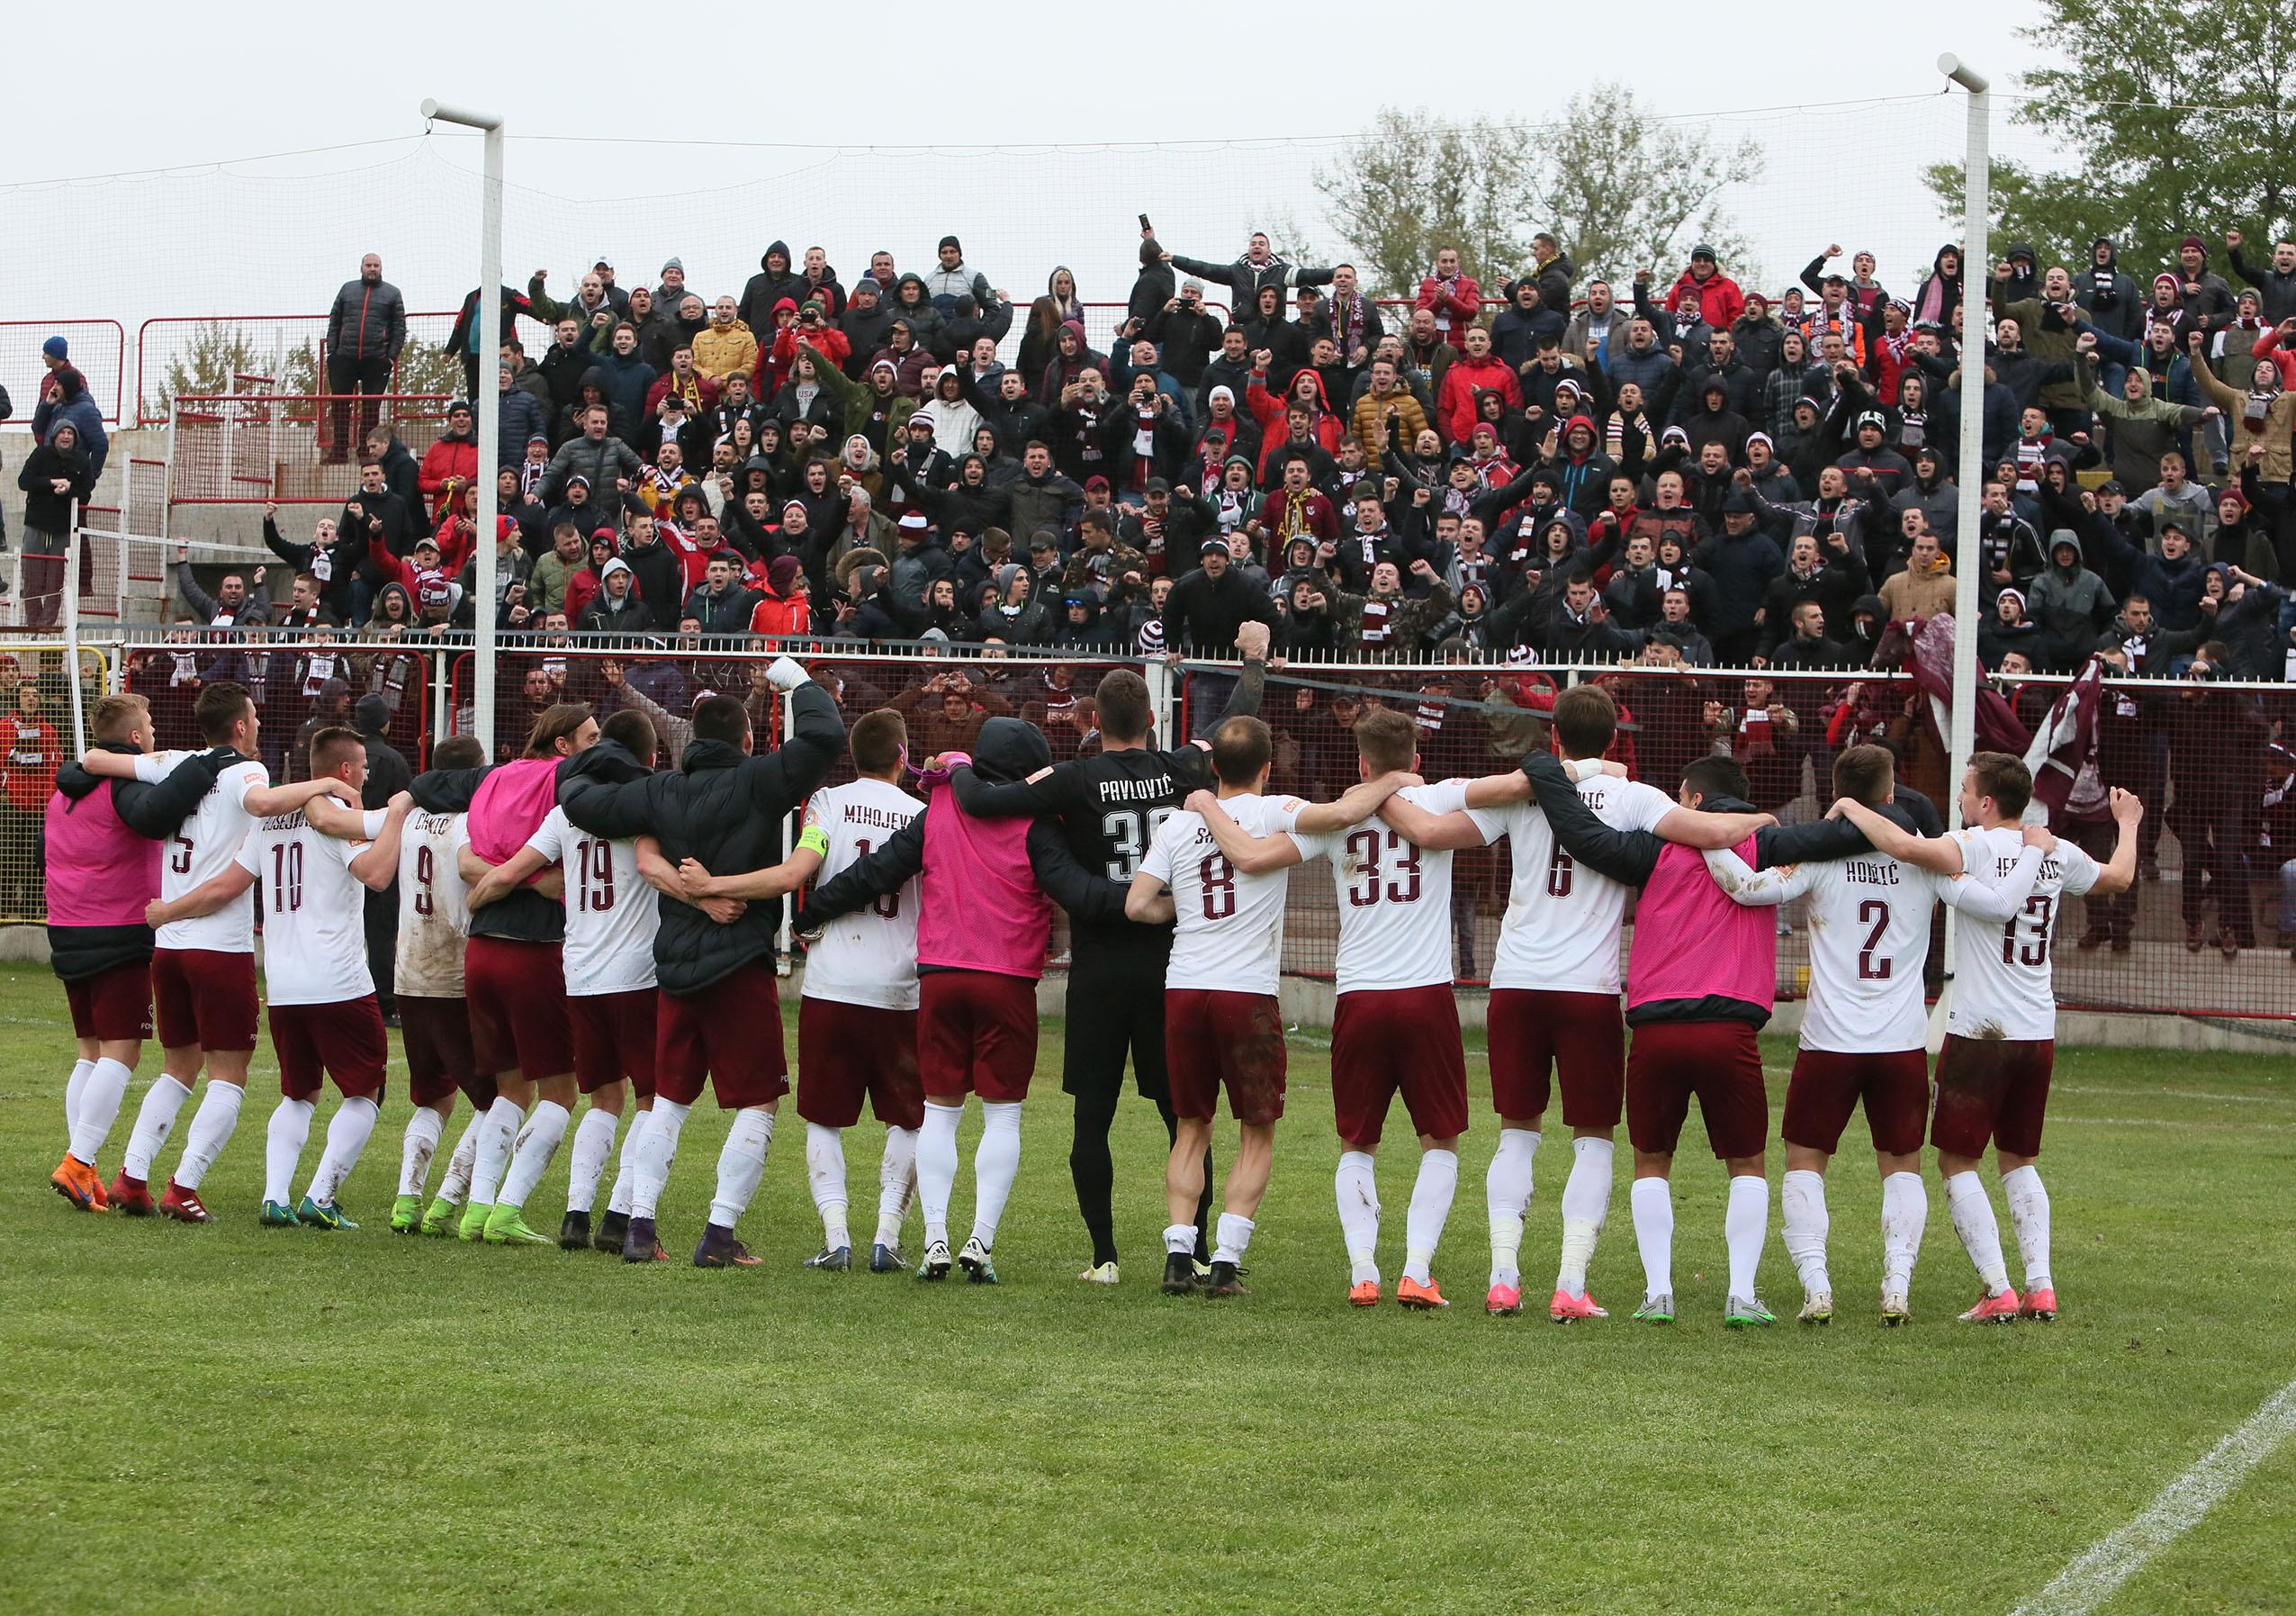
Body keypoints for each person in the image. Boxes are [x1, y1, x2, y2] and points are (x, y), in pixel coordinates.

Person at [1374, 684, 1772, 1319]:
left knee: (1516, 1134)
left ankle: (1503, 1277)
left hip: (1515, 981)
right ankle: (1569, 1285)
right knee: (1592, 1138)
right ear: (1614, 738)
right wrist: (1762, 821)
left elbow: (1427, 830)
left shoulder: (1522, 788)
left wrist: (1371, 794)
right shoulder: (1635, 796)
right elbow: (1710, 829)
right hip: (1585, 987)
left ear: (1552, 735)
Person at [939, 635, 1273, 1281]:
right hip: (1170, 964)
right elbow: (1230, 725)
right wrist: (1252, 662)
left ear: (1093, 721)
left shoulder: (1071, 779)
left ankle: (1105, 1256)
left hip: (1098, 966)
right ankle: (1194, 1249)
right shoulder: (1181, 769)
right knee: (1182, 1118)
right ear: (1151, 719)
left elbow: (982, 801)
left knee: (1091, 1117)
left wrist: (952, 765)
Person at [1698, 745, 2051, 1324]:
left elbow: (1745, 888)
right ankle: (1897, 1290)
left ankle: (1817, 1290)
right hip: (1901, 1044)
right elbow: (1989, 905)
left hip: (1829, 1043)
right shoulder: (1926, 864)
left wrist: (1707, 833)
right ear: (1891, 797)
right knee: (1903, 1166)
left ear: (1835, 794)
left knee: (1805, 1161)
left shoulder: (1818, 861)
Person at [801, 714, 1134, 1284]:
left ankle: (934, 1240)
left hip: (939, 978)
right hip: (1005, 980)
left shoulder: (941, 810)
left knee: (939, 1112)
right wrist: (1142, 897)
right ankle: (979, 1240)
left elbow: (875, 872)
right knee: (1002, 1115)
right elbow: (1074, 890)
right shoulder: (1038, 823)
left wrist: (812, 911)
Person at [1187, 708, 1489, 1308]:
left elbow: (1250, 855)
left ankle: (1362, 1273)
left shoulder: (1332, 821)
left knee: (1357, 1143)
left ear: (1361, 761)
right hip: (1425, 992)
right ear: (1416, 760)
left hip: (1357, 996)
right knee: (1440, 1141)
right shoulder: (1439, 800)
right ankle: (1417, 1270)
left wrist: (1204, 804)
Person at [1835, 754, 2141, 1324]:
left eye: (1965, 789)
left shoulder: (1971, 846)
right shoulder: (2055, 850)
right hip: (2037, 1029)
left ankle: (1998, 1289)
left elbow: (1902, 847)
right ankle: (2041, 1286)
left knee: (1956, 1161)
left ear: (1985, 803)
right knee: (2019, 1160)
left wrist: (1852, 805)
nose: (1958, 798)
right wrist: (2127, 824)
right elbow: (2119, 878)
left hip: (1979, 1031)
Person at [557, 661, 839, 1268]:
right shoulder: (762, 780)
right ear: (745, 740)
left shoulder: (659, 791)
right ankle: (717, 1232)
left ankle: (639, 1226)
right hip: (740, 962)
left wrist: (615, 760)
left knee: (666, 1101)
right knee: (758, 1099)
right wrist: (796, 681)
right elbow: (824, 738)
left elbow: (577, 799)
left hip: (675, 969)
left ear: (689, 744)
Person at [1125, 715, 1410, 1298]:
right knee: (1256, 1129)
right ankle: (1225, 1260)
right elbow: (1337, 816)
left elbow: (1135, 904)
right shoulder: (1273, 808)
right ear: (1266, 766)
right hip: (1245, 990)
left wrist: (1181, 910)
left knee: (1190, 1126)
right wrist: (1390, 780)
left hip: (1183, 984)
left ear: (1213, 767)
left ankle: (1179, 1253)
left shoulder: (1177, 825)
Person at [80, 683, 358, 1219]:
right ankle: (183, 1186)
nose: (256, 726)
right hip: (217, 946)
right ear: (240, 726)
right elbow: (260, 802)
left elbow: (96, 757)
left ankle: (131, 1176)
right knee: (228, 1075)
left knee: (177, 1066)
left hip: (170, 946)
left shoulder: (179, 762)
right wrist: (325, 783)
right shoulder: (244, 771)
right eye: (253, 717)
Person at [683, 708, 923, 1274]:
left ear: (854, 758)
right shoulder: (923, 814)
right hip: (900, 984)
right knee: (909, 1119)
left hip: (831, 983)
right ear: (903, 758)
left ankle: (837, 1236)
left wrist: (714, 885)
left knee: (823, 1118)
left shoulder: (825, 804)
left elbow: (800, 869)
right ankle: (887, 1235)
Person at [160, 727, 412, 1227]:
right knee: (366, 1092)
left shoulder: (269, 825)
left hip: (284, 984)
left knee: (299, 1092)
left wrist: (167, 911)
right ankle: (321, 1196)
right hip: (339, 981)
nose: (365, 774)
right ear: (344, 771)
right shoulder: (338, 818)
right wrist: (399, 816)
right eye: (362, 767)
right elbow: (377, 875)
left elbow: (226, 886)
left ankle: (275, 1197)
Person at [466, 709, 667, 1253]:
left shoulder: (564, 814)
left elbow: (507, 873)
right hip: (636, 975)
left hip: (578, 973)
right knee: (650, 1098)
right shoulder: (648, 811)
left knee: (604, 1099)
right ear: (649, 760)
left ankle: (576, 1214)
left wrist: (475, 903)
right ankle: (620, 1216)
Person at [407, 703, 597, 1246]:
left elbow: (467, 863)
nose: (596, 747)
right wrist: (533, 883)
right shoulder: (565, 780)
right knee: (561, 1093)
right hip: (533, 950)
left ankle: (465, 1207)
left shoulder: (492, 778)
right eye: (589, 737)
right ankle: (506, 1209)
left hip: (482, 949)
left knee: (511, 1091)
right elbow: (555, 878)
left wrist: (504, 881)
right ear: (562, 746)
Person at [44, 696, 241, 1212]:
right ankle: (79, 1159)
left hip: (66, 926)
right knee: (122, 1051)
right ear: (134, 738)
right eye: (150, 727)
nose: (153, 734)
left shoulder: (63, 789)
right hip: (115, 929)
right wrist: (205, 766)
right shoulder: (120, 787)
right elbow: (154, 817)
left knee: (89, 1050)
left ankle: (80, 1161)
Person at [383, 734, 496, 1234]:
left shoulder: (406, 821)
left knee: (432, 1096)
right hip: (455, 974)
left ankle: (407, 1201)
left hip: (409, 970)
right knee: (496, 1099)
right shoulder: (473, 823)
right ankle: (448, 1199)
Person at [326, 254, 406, 460]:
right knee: (340, 406)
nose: (372, 269)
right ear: (361, 267)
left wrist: (391, 357)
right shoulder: (347, 289)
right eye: (368, 265)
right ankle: (339, 451)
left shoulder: (393, 293)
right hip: (344, 357)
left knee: (371, 409)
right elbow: (334, 320)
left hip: (377, 360)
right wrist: (332, 353)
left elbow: (399, 327)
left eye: (376, 265)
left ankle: (365, 451)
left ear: (382, 268)